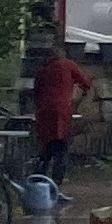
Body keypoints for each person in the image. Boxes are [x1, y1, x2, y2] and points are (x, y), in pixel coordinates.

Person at [31, 46, 91, 188]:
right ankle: (56, 183)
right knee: (61, 145)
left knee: (47, 145)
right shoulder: (68, 65)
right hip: (62, 111)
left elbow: (36, 94)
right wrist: (79, 100)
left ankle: (39, 180)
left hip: (44, 112)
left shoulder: (42, 71)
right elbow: (86, 84)